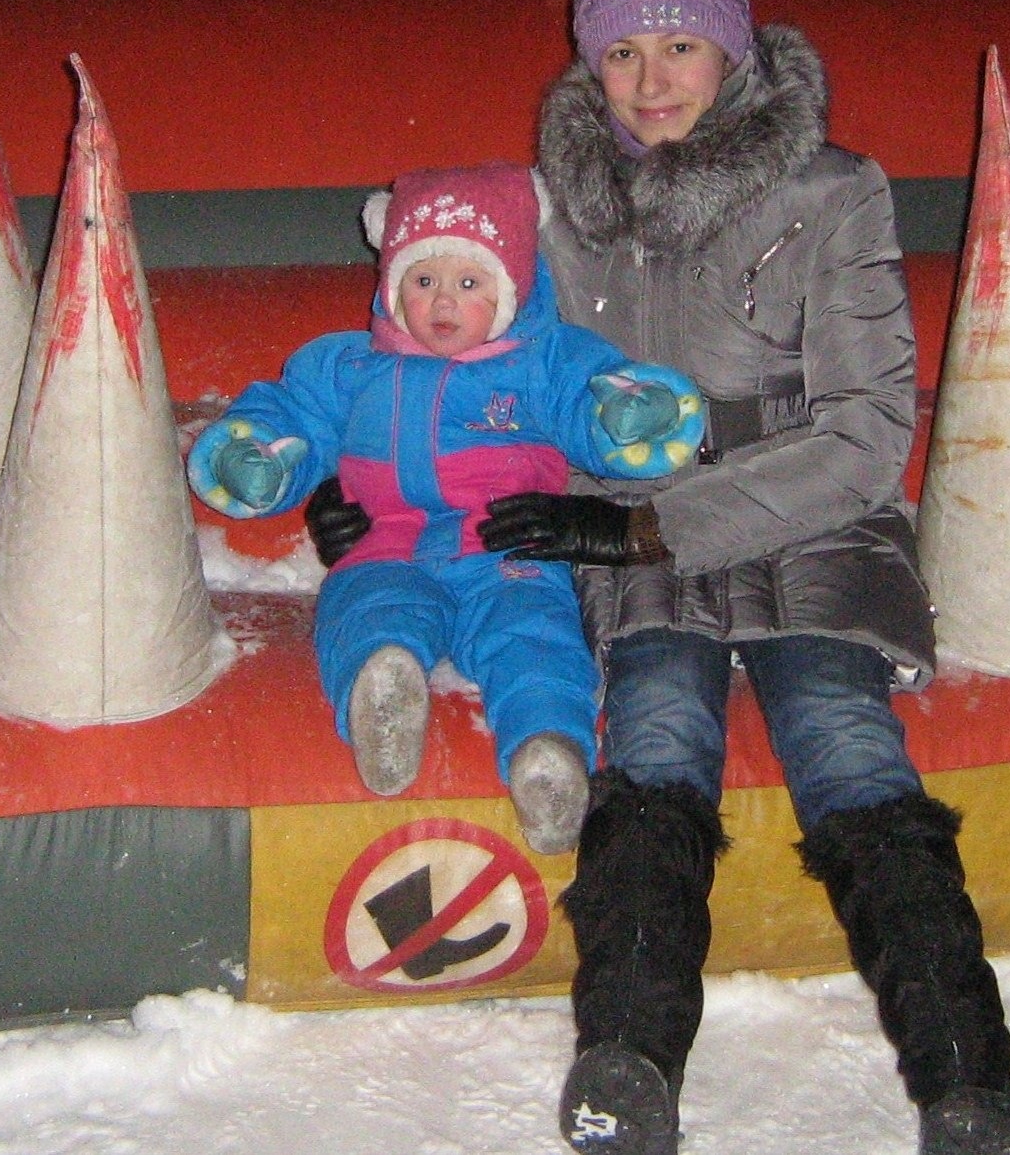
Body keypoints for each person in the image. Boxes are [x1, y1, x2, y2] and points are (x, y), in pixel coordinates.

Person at [311, 0, 1010, 1155]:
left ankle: (966, 1081)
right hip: (622, 534)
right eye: (623, 53)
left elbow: (865, 433)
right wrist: (366, 486)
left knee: (843, 733)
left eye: (681, 45)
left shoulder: (832, 192)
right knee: (653, 730)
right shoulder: (556, 212)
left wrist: (645, 523)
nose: (652, 82)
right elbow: (463, 367)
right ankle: (627, 1061)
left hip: (804, 522)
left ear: (733, 49)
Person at [190, 161, 702, 855]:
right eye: (423, 280)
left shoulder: (541, 361)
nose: (442, 302)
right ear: (391, 285)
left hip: (510, 546)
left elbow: (590, 396)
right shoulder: (347, 366)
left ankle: (548, 751)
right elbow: (292, 418)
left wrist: (628, 414)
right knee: (368, 609)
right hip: (387, 542)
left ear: (512, 290)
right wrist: (255, 460)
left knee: (534, 635)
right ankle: (384, 690)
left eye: (469, 283)